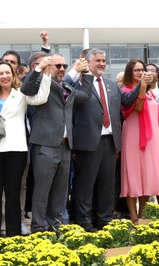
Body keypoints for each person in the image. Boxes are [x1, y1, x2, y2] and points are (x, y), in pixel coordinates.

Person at [72, 48, 143, 231]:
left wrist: (141, 85)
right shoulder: (79, 83)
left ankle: (104, 221)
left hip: (110, 142)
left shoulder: (111, 84)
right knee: (85, 185)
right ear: (88, 62)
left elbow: (127, 101)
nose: (102, 64)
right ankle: (84, 222)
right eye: (98, 60)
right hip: (88, 143)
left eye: (104, 60)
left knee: (107, 185)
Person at [21, 53, 93, 233]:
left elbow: (85, 96)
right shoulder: (42, 83)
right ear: (49, 67)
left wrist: (87, 73)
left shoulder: (67, 86)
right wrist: (38, 69)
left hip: (66, 145)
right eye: (57, 66)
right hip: (45, 144)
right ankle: (38, 228)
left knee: (61, 191)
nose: (61, 69)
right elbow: (26, 88)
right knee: (42, 189)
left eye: (64, 66)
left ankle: (56, 226)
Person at [0, 61, 51, 238]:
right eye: (0, 73)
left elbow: (41, 98)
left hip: (16, 149)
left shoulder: (21, 93)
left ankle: (13, 234)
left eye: (7, 73)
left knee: (12, 194)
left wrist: (45, 75)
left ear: (13, 75)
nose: (4, 76)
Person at [120, 59, 158, 225]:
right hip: (133, 135)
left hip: (151, 138)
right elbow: (137, 107)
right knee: (133, 174)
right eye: (136, 70)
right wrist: (142, 85)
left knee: (147, 175)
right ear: (130, 72)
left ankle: (142, 214)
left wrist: (147, 86)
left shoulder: (151, 92)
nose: (140, 73)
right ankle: (133, 215)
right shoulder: (126, 89)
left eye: (142, 70)